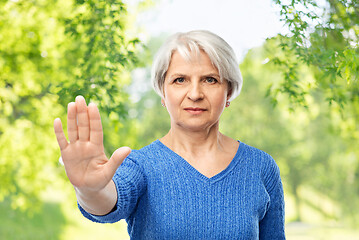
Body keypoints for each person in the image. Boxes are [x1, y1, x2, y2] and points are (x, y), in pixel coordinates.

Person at [54, 30, 286, 239]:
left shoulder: (261, 167)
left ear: (229, 91)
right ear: (163, 92)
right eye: (180, 80)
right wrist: (89, 190)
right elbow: (107, 201)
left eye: (210, 79)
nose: (195, 93)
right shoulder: (141, 166)